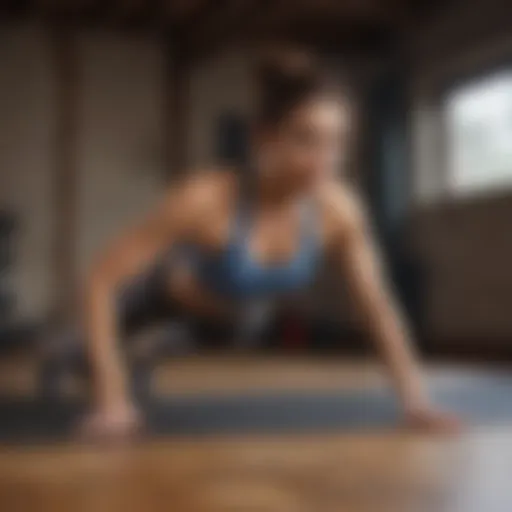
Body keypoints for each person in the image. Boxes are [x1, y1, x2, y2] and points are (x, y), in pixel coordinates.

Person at [79, 48, 460, 441]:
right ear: (264, 137)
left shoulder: (339, 211)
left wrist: (415, 402)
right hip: (159, 296)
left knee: (242, 322)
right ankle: (93, 355)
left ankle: (137, 355)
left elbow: (377, 306)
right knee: (87, 347)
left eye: (337, 143)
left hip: (232, 324)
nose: (323, 161)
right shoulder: (205, 199)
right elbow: (101, 279)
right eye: (306, 140)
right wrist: (111, 400)